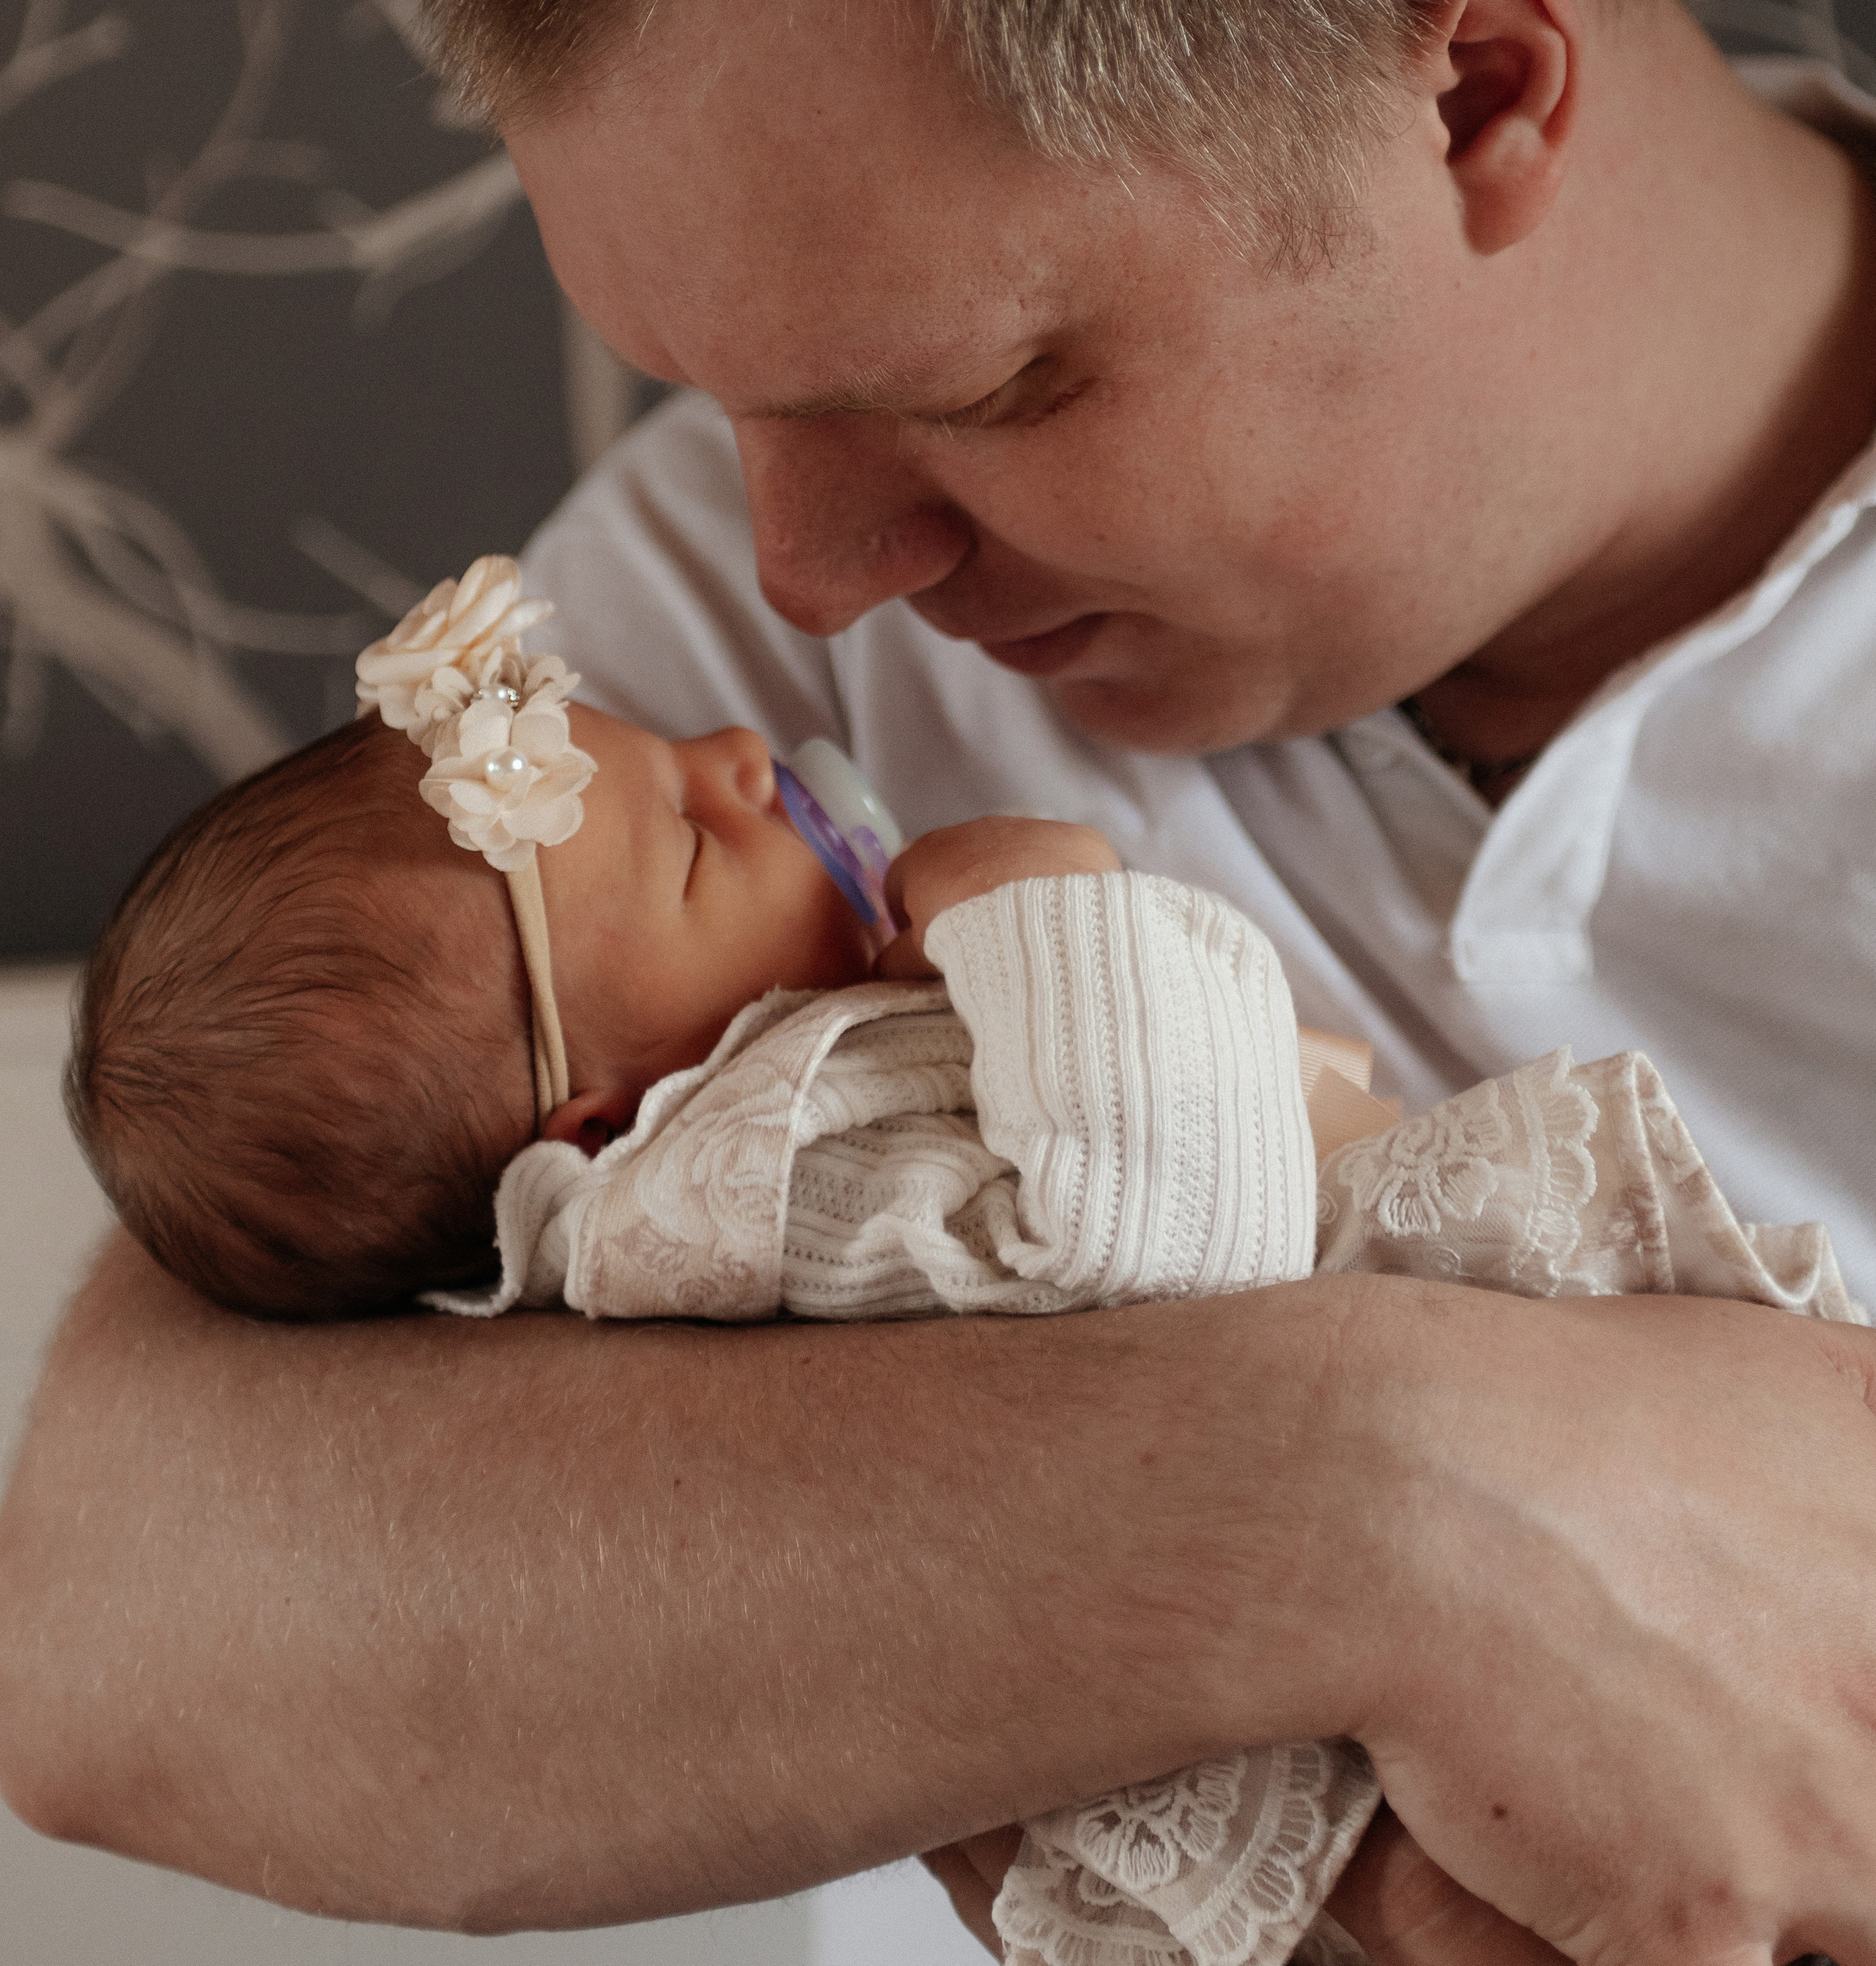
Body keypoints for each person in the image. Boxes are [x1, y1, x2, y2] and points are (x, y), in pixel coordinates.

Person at [4, 0, 1875, 1966]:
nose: (806, 571)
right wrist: (1394, 1493)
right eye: (716, 391)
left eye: (988, 389)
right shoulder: (726, 713)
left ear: (1483, 87)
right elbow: (127, 1625)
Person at [59, 555, 1862, 1966]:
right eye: (696, 840)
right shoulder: (766, 1176)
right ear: (599, 1129)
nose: (748, 755)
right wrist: (1040, 911)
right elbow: (1183, 1242)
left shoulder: (768, 1092)